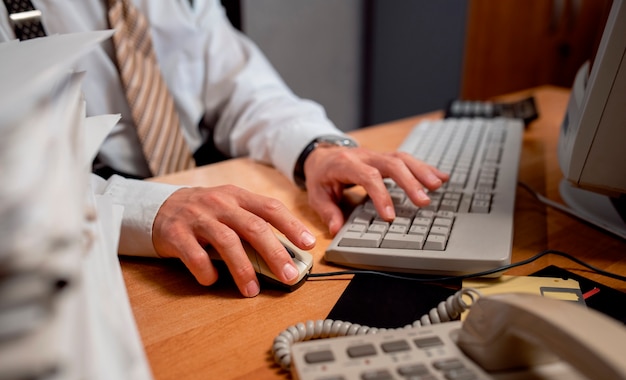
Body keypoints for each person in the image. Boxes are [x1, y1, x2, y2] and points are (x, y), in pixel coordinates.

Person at [0, 0, 448, 297]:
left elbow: (238, 87)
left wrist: (317, 148)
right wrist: (146, 210)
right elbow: (11, 177)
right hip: (69, 235)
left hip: (194, 179)